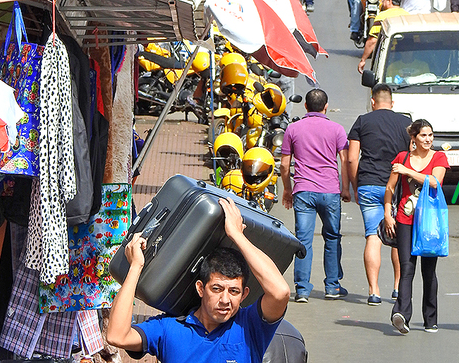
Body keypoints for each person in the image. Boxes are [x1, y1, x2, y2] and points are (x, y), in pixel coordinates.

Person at [105, 198, 291, 362]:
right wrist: (135, 267)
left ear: (244, 295)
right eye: (217, 289)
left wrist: (236, 235)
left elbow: (280, 292)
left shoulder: (250, 326)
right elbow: (117, 336)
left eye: (234, 291)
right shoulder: (169, 328)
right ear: (201, 288)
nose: (225, 300)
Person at [280, 88, 351, 303]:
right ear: (326, 106)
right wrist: (345, 188)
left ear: (306, 106)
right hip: (330, 191)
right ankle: (332, 286)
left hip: (303, 190)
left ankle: (302, 289)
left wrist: (287, 189)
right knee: (332, 237)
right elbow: (345, 160)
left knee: (303, 240)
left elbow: (284, 165)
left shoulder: (293, 129)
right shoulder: (337, 129)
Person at [384, 119, 449, 334]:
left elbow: (435, 182)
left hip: (429, 221)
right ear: (414, 138)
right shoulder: (402, 158)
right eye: (423, 135)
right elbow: (390, 188)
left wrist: (408, 172)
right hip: (405, 218)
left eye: (430, 135)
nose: (428, 139)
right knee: (407, 268)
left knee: (429, 271)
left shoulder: (439, 157)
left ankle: (431, 319)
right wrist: (387, 213)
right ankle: (401, 314)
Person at [347, 83, 410, 305]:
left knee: (373, 236)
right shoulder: (406, 123)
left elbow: (352, 158)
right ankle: (397, 286)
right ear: (392, 103)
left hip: (369, 183)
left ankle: (374, 291)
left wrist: (355, 185)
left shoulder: (362, 121)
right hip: (397, 186)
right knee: (398, 237)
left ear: (372, 102)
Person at [357, 0, 409, 74]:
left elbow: (372, 41)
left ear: (389, 1)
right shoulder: (407, 15)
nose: (382, 3)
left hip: (387, 57)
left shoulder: (382, 16)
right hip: (405, 56)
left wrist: (363, 60)